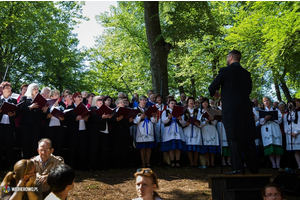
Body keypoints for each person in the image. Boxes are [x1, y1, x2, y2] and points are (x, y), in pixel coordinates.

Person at [208, 50, 259, 175]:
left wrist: (216, 94)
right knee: (248, 138)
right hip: (246, 109)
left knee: (234, 137)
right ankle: (253, 168)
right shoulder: (246, 74)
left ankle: (238, 168)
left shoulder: (225, 71)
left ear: (230, 58)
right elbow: (247, 91)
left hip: (232, 110)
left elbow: (212, 87)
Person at [19, 83, 48, 159]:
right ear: (30, 89)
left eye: (37, 89)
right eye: (34, 88)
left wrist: (44, 111)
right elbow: (19, 110)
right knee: (26, 144)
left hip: (37, 126)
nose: (36, 90)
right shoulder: (24, 98)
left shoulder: (40, 100)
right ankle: (25, 164)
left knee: (35, 145)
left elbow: (42, 116)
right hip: (26, 125)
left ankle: (35, 164)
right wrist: (30, 107)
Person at [133, 96, 157, 168]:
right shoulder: (136, 109)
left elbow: (154, 121)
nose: (144, 102)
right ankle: (143, 162)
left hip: (149, 128)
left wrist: (154, 116)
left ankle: (148, 161)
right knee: (142, 147)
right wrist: (140, 117)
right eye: (142, 100)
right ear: (139, 101)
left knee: (149, 147)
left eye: (145, 100)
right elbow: (135, 121)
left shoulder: (148, 109)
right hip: (141, 129)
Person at [260, 97, 283, 169]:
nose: (266, 102)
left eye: (267, 100)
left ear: (270, 101)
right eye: (264, 101)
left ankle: (278, 164)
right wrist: (265, 118)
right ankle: (273, 164)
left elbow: (280, 120)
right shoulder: (262, 111)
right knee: (269, 146)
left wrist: (273, 117)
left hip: (275, 128)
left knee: (276, 144)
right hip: (266, 129)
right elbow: (260, 122)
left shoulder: (276, 110)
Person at [161, 99, 185, 167]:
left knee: (177, 147)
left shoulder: (180, 112)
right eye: (171, 103)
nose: (173, 104)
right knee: (171, 147)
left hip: (177, 130)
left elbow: (183, 123)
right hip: (169, 130)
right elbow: (163, 121)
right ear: (168, 104)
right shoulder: (165, 111)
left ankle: (177, 161)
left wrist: (180, 119)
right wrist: (168, 117)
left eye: (174, 103)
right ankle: (172, 161)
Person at [110, 98, 134, 168]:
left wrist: (130, 121)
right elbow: (110, 122)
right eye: (120, 102)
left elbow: (129, 124)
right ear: (117, 104)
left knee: (125, 149)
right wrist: (116, 120)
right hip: (116, 133)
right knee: (117, 148)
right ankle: (117, 164)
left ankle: (124, 164)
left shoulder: (128, 111)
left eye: (123, 102)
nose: (122, 103)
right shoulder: (113, 111)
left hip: (125, 132)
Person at [198, 97, 220, 168]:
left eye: (206, 102)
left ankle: (212, 162)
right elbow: (199, 123)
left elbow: (215, 122)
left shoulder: (212, 111)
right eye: (204, 102)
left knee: (212, 146)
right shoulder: (199, 112)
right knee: (206, 147)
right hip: (204, 130)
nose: (205, 104)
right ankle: (207, 162)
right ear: (202, 103)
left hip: (211, 129)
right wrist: (205, 121)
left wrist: (211, 120)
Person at [0, 82, 17, 169]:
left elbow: (17, 114)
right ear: (2, 89)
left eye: (10, 88)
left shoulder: (13, 101)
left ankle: (8, 165)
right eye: (7, 88)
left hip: (9, 126)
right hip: (0, 126)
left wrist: (13, 114)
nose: (9, 89)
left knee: (9, 145)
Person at [181, 97, 202, 167]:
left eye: (192, 101)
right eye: (189, 101)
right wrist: (185, 123)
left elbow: (199, 119)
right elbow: (182, 120)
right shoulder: (184, 111)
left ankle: (195, 162)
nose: (191, 102)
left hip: (196, 129)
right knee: (189, 146)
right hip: (188, 129)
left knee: (196, 146)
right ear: (187, 103)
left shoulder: (197, 111)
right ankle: (191, 162)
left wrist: (198, 123)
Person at [284, 101, 300, 169]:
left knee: (299, 149)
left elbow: (299, 123)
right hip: (290, 134)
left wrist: (296, 132)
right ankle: (299, 165)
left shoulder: (298, 113)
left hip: (298, 134)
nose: (290, 106)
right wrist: (288, 132)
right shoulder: (286, 115)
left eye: (291, 104)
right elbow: (285, 125)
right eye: (288, 105)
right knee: (295, 151)